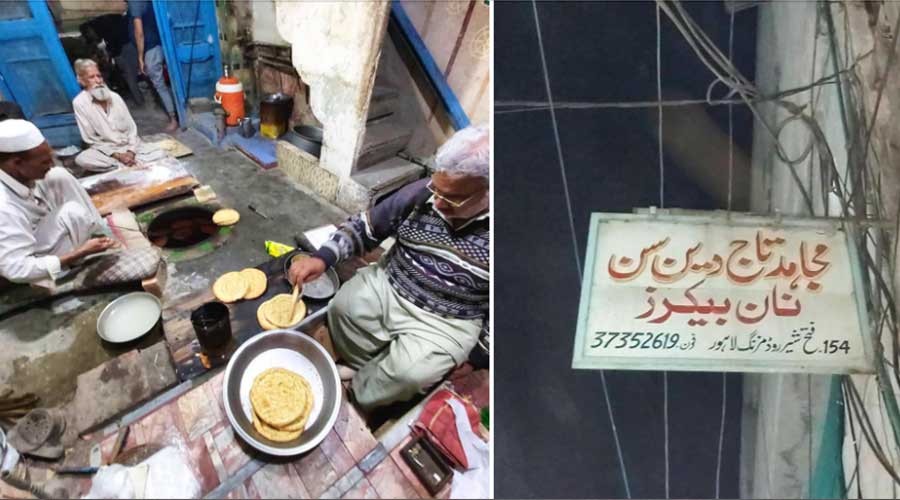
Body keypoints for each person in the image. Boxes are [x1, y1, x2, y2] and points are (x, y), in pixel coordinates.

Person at [288, 125, 490, 411]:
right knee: (343, 307)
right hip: (391, 281)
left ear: (487, 191)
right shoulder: (424, 194)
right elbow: (367, 226)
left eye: (452, 198)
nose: (437, 202)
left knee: (409, 374)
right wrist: (322, 258)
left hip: (447, 320)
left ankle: (360, 391)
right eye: (436, 189)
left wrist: (478, 357)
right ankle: (365, 366)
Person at [0, 119, 116, 286]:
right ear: (17, 164)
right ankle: (69, 266)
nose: (51, 164)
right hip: (28, 256)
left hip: (39, 227)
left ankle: (97, 235)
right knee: (72, 212)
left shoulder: (16, 173)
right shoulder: (4, 206)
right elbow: (16, 269)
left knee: (58, 175)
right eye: (44, 162)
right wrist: (77, 253)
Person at [71, 59, 165, 173]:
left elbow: (132, 130)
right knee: (82, 159)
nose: (98, 81)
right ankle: (126, 165)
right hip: (108, 153)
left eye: (99, 76)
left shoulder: (115, 97)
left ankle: (127, 164)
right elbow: (91, 140)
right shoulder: (79, 103)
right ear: (82, 81)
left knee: (161, 152)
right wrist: (118, 156)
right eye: (92, 77)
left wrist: (130, 152)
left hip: (129, 147)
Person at [127, 0, 177, 132]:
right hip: (156, 46)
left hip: (151, 48)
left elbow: (139, 32)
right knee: (162, 83)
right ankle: (173, 112)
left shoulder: (135, 3)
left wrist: (140, 56)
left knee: (159, 84)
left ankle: (174, 119)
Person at [80, 13, 143, 107]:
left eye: (88, 34)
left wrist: (110, 57)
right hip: (126, 46)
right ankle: (139, 99)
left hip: (123, 49)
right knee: (131, 75)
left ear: (90, 30)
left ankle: (140, 102)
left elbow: (112, 47)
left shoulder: (103, 27)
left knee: (130, 78)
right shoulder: (105, 23)